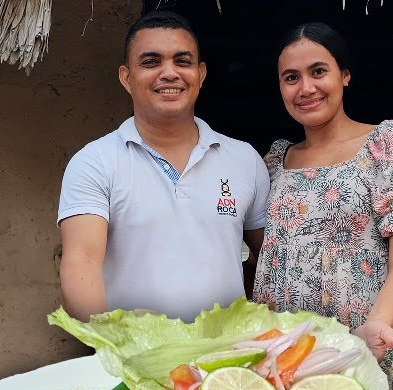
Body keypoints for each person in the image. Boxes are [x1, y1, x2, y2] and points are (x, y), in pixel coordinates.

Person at [253, 22, 393, 390]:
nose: (306, 88)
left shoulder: (389, 146)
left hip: (359, 350)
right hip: (280, 353)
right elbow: (262, 254)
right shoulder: (273, 163)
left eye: (318, 71)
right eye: (291, 77)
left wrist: (378, 323)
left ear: (345, 76)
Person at [58, 11, 269, 321]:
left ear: (201, 74)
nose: (169, 73)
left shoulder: (243, 159)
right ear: (126, 77)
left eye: (182, 61)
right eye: (151, 62)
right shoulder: (95, 162)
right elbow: (81, 262)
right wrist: (119, 334)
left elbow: (272, 260)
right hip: (135, 359)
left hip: (225, 357)